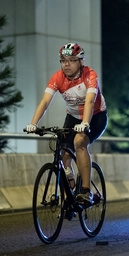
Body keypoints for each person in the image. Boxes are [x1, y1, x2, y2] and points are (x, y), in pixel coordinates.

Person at [25, 43, 108, 205]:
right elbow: (45, 102)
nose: (66, 64)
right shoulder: (57, 77)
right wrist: (33, 123)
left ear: (81, 62)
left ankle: (86, 191)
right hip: (73, 117)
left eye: (71, 60)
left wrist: (85, 122)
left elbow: (90, 101)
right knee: (63, 151)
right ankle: (70, 190)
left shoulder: (90, 75)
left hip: (95, 116)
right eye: (63, 60)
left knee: (79, 142)